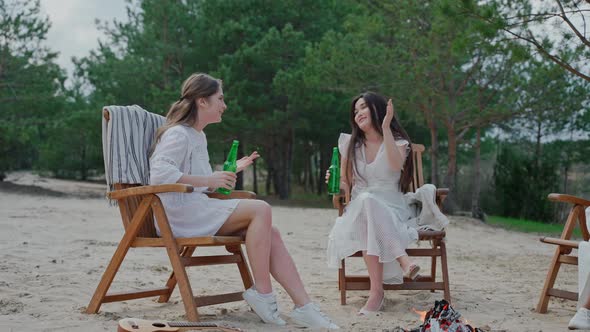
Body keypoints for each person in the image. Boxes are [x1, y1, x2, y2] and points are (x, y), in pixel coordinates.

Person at [149, 73, 338, 329]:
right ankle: (262, 292)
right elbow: (159, 174)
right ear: (202, 101)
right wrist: (210, 180)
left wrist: (228, 171)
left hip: (194, 209)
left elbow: (204, 180)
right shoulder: (178, 134)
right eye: (220, 98)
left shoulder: (198, 136)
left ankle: (304, 306)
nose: (224, 105)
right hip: (177, 214)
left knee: (272, 233)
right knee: (261, 209)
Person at [326, 92, 421, 315]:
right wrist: (334, 180)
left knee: (369, 205)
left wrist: (386, 127)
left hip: (392, 210)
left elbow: (396, 166)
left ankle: (376, 293)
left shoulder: (397, 141)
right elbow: (346, 184)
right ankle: (403, 261)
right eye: (355, 111)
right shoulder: (350, 144)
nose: (358, 114)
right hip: (359, 209)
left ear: (377, 109)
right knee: (366, 202)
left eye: (363, 108)